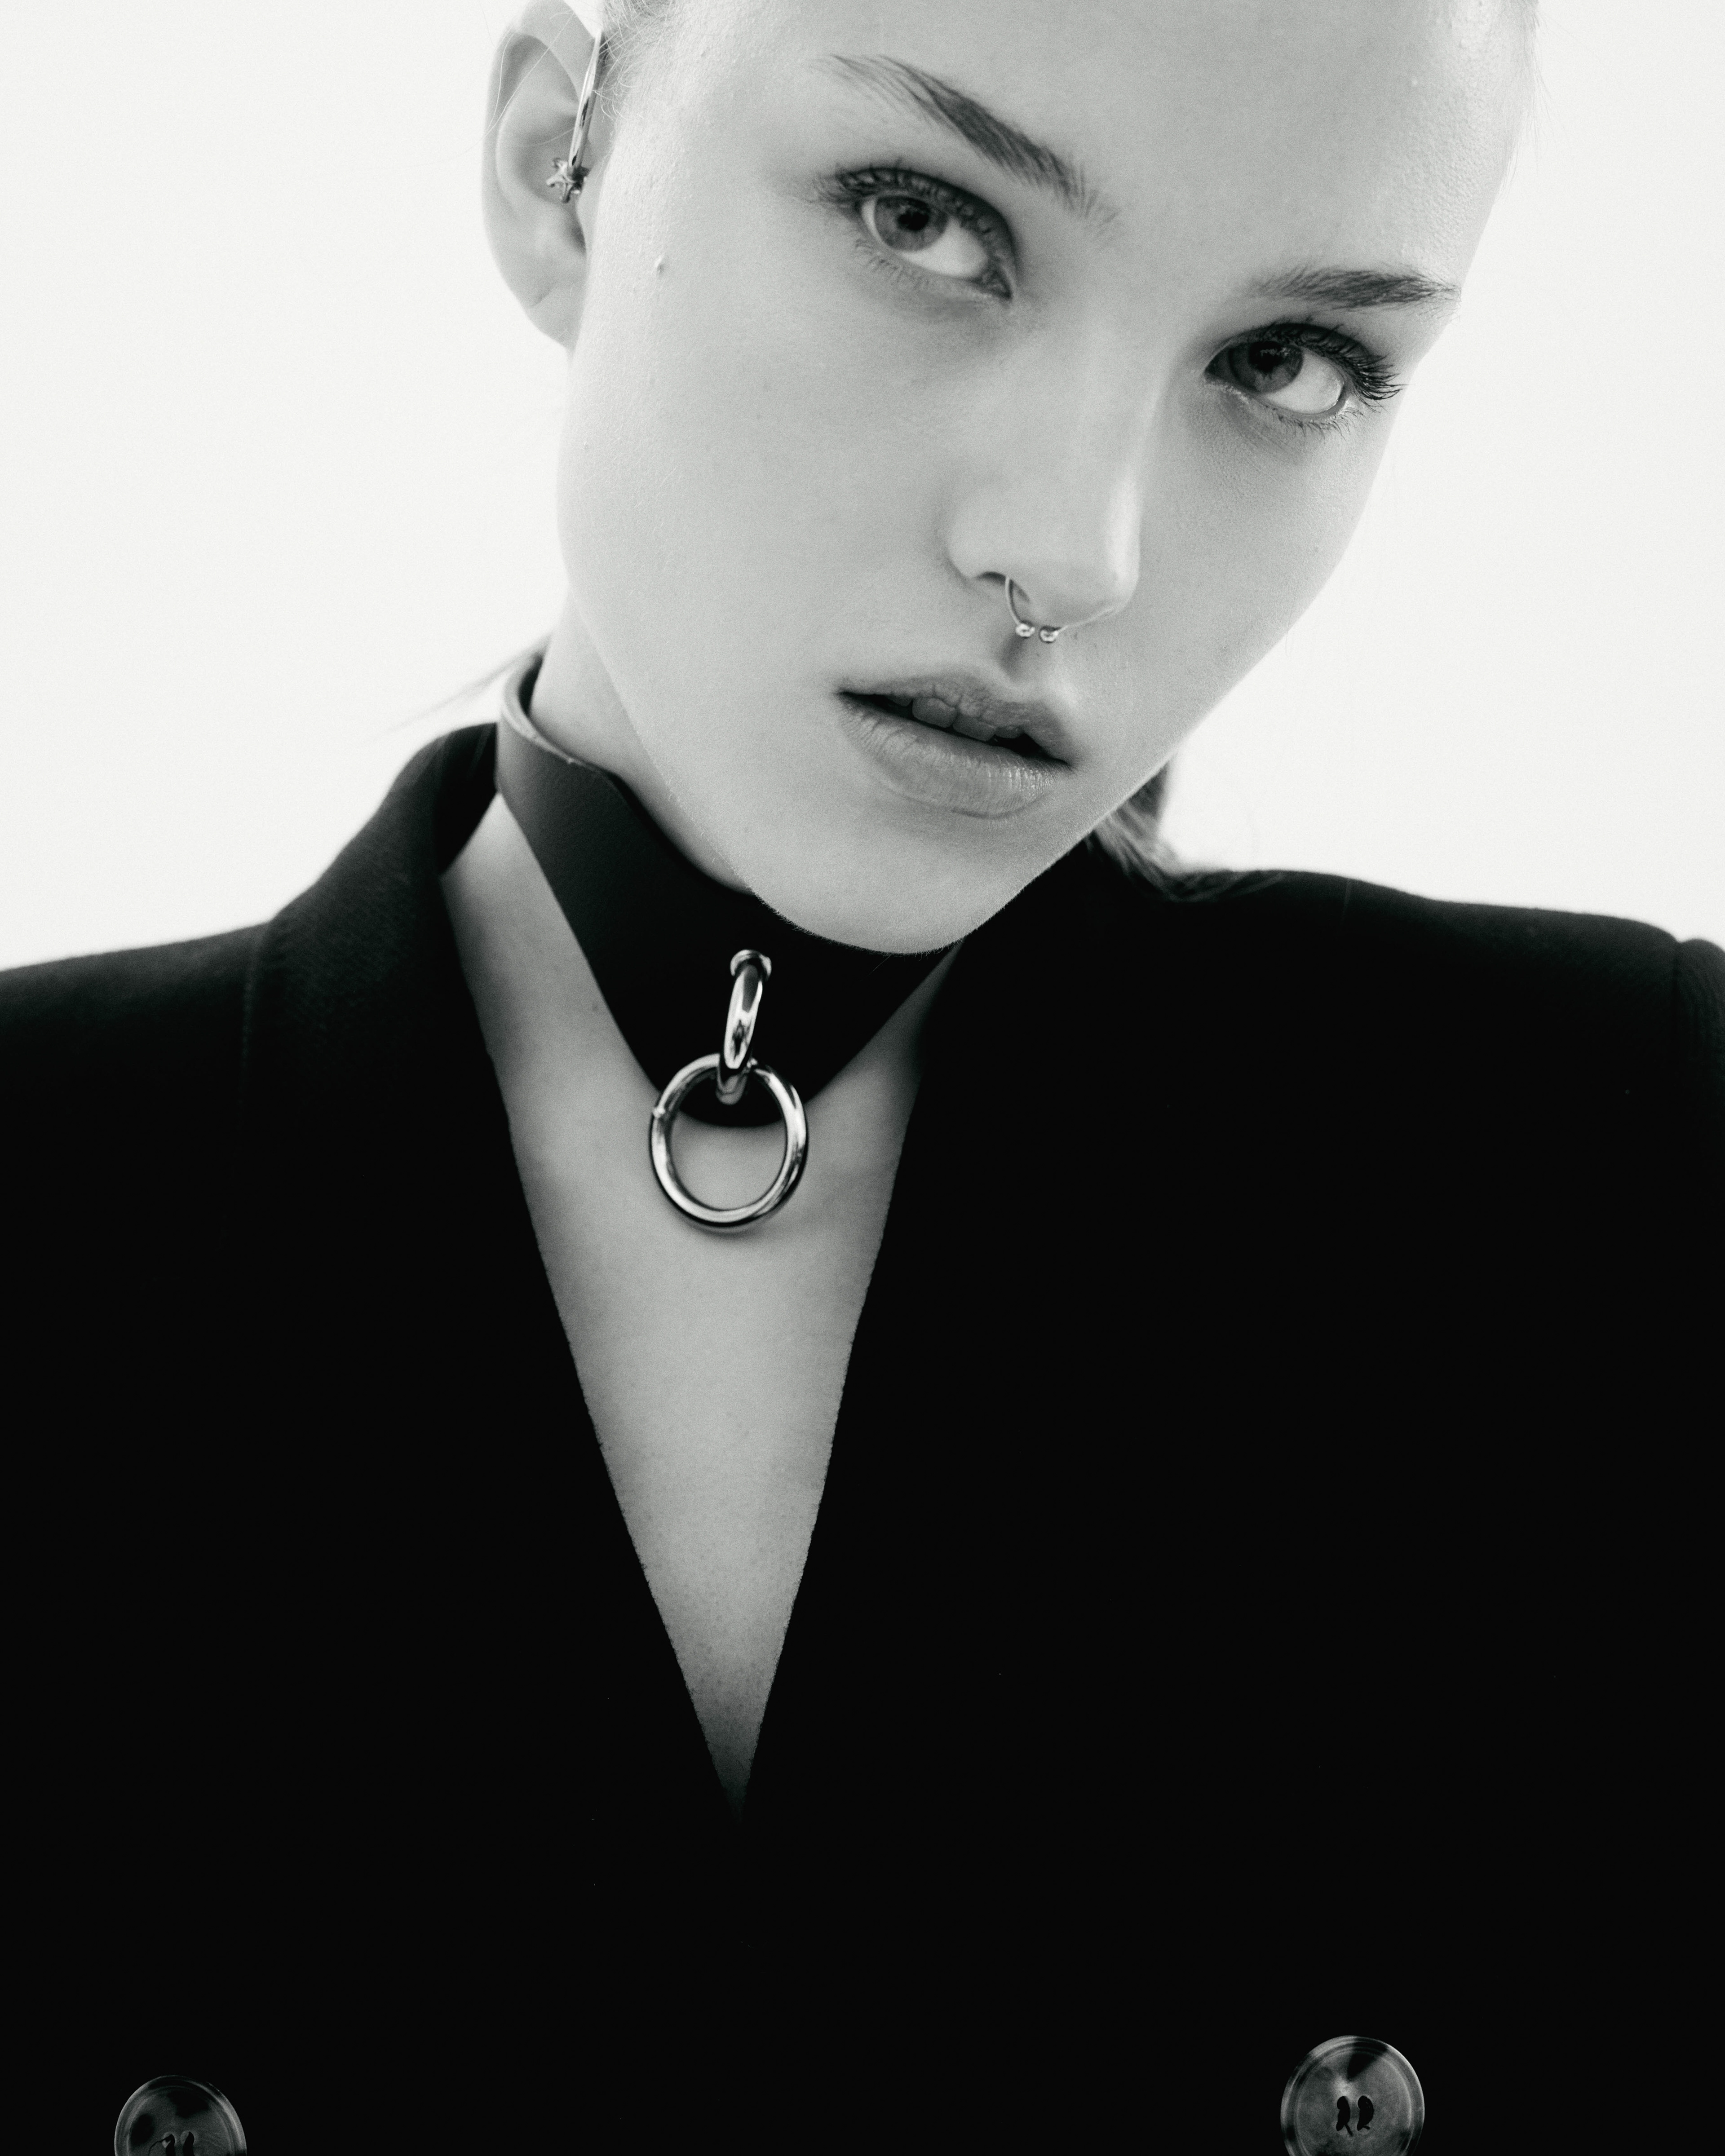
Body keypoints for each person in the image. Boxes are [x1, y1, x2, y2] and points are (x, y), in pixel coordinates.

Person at [6, 0, 1716, 2141]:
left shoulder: (1636, 1176)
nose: (1078, 549)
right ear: (559, 164)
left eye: (1293, 360)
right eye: (925, 219)